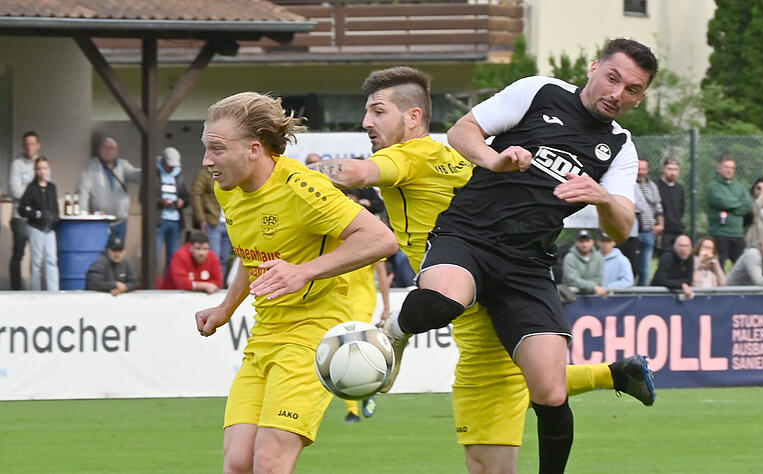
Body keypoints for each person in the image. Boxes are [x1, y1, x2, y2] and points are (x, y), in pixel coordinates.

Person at [284, 63, 657, 474]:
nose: (366, 122)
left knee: (517, 416)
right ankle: (616, 374)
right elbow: (471, 141)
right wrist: (497, 160)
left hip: (486, 340)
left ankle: (616, 375)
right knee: (540, 386)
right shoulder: (461, 159)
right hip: (482, 290)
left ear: (413, 117)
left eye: (378, 111)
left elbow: (356, 172)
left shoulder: (409, 157)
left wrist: (281, 175)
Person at [194, 92, 397, 474]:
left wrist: (303, 271)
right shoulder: (228, 189)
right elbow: (253, 255)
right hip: (266, 333)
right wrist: (225, 308)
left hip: (314, 332)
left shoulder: (303, 188)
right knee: (238, 462)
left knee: (269, 462)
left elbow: (381, 240)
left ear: (254, 149)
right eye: (205, 148)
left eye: (217, 149)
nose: (207, 161)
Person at [340, 188, 391, 423]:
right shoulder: (335, 233)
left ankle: (368, 392)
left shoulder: (370, 236)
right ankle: (353, 408)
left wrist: (386, 306)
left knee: (356, 349)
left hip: (363, 299)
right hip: (340, 299)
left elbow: (381, 274)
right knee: (344, 353)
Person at [77, 137, 141, 239]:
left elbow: (136, 176)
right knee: (100, 253)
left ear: (116, 151)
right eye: (105, 147)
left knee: (118, 254)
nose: (108, 151)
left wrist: (151, 169)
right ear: (99, 150)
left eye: (111, 148)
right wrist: (83, 212)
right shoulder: (91, 166)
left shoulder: (123, 165)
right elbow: (83, 190)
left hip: (120, 221)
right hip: (99, 222)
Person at [17, 156, 59, 290]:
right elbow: (22, 209)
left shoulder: (52, 187)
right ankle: (37, 291)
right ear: (36, 170)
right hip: (36, 228)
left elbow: (55, 206)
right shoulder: (31, 188)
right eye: (39, 169)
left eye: (45, 168)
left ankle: (54, 291)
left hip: (50, 228)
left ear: (49, 169)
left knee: (52, 260)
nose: (42, 171)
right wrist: (35, 214)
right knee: (37, 263)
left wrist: (55, 219)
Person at [8, 131, 41, 290]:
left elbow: (46, 189)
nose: (29, 147)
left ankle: (36, 290)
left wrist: (31, 193)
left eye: (32, 144)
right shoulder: (17, 164)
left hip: (37, 217)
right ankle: (15, 290)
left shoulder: (41, 164)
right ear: (23, 146)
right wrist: (34, 194)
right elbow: (15, 191)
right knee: (18, 255)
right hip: (19, 216)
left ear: (38, 145)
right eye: (26, 144)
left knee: (37, 255)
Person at [706, 155, 752, 267]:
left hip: (737, 234)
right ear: (719, 168)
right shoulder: (713, 186)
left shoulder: (740, 187)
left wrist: (732, 209)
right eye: (726, 167)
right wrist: (738, 202)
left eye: (732, 168)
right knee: (718, 265)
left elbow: (748, 204)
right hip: (719, 234)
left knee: (742, 266)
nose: (729, 170)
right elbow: (722, 202)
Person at [191, 167, 231, 281]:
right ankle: (210, 282)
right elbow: (196, 194)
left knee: (224, 258)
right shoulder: (204, 174)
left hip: (229, 222)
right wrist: (201, 219)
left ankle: (219, 283)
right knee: (213, 256)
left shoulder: (230, 173)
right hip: (213, 221)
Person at [155, 147, 188, 271]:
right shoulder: (154, 173)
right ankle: (151, 286)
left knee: (174, 257)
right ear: (163, 161)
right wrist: (161, 202)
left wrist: (182, 202)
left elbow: (186, 197)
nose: (172, 168)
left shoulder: (179, 174)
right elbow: (144, 198)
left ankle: (169, 285)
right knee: (154, 256)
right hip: (158, 221)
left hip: (176, 221)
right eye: (169, 165)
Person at [562, 230, 607, 297]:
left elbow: (599, 279)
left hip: (593, 296)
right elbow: (572, 280)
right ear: (576, 243)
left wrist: (586, 285)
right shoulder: (569, 257)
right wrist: (593, 287)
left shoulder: (599, 257)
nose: (585, 244)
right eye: (582, 241)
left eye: (587, 241)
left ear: (592, 242)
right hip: (571, 297)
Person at [655, 157, 685, 254]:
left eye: (675, 169)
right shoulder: (656, 186)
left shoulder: (680, 189)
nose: (672, 172)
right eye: (670, 169)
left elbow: (681, 209)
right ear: (663, 169)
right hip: (662, 232)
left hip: (677, 229)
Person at [651, 234, 694, 300]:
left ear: (691, 248)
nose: (683, 249)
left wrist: (681, 284)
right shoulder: (667, 257)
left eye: (686, 246)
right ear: (675, 246)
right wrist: (682, 285)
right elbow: (661, 280)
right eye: (681, 246)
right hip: (658, 296)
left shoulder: (690, 258)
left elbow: (689, 280)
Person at [744, 177, 763, 248]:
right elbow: (753, 211)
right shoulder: (747, 201)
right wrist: (761, 197)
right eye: (759, 188)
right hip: (749, 240)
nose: (761, 191)